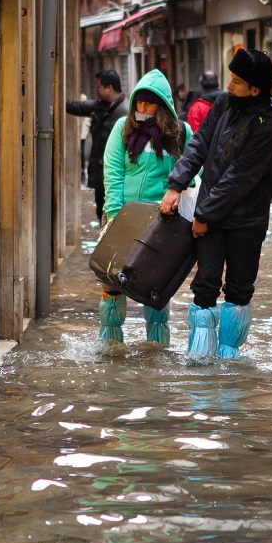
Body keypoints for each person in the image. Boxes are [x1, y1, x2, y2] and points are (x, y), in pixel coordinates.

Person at [158, 48, 272, 362]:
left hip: (246, 223)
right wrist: (176, 185)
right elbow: (199, 144)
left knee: (239, 290)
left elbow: (239, 179)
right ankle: (199, 360)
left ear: (255, 89)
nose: (229, 85)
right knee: (205, 285)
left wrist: (203, 215)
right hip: (212, 217)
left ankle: (229, 363)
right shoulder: (224, 103)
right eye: (231, 78)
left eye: (237, 81)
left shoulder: (268, 129)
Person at [97, 69, 192, 348]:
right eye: (138, 101)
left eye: (149, 103)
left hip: (160, 222)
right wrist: (114, 215)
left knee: (155, 286)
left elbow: (193, 171)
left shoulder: (180, 133)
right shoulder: (122, 128)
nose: (141, 108)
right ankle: (111, 346)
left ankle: (157, 349)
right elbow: (113, 172)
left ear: (162, 105)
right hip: (120, 217)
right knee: (112, 284)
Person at [65, 69, 128, 220]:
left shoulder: (124, 111)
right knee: (101, 211)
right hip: (101, 174)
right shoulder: (100, 105)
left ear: (109, 88)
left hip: (115, 174)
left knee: (114, 214)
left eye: (99, 86)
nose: (96, 90)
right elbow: (78, 107)